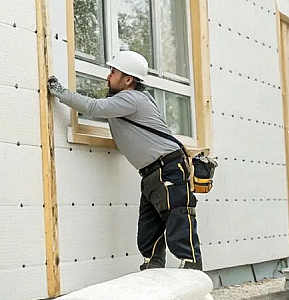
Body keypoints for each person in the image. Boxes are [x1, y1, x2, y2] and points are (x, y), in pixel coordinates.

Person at [48, 51, 202, 271]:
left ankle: (192, 273)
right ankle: (153, 274)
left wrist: (61, 92)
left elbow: (94, 107)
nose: (108, 76)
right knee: (149, 232)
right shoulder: (127, 100)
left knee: (179, 223)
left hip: (167, 170)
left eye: (113, 72)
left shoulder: (132, 99)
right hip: (153, 174)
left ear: (128, 80)